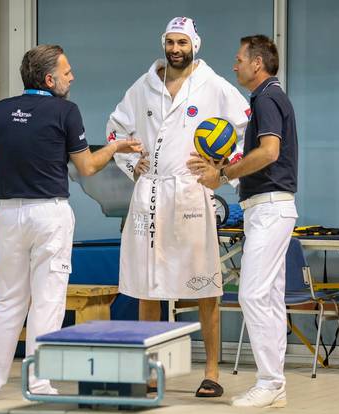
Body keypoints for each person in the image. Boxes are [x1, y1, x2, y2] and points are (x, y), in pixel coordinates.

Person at [0, 44, 141, 400]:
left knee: (7, 301)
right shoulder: (66, 111)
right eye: (67, 72)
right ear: (49, 79)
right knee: (47, 301)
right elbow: (88, 167)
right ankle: (38, 383)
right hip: (50, 215)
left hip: (10, 214)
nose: (71, 76)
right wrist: (117, 147)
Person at [107, 17, 250, 398]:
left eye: (181, 42)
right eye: (169, 42)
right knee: (147, 287)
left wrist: (221, 169)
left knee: (205, 286)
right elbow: (116, 128)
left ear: (195, 46)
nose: (174, 49)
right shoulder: (143, 86)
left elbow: (243, 128)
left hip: (190, 194)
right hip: (150, 195)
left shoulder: (214, 87)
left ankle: (213, 372)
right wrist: (129, 163)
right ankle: (150, 373)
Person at [187, 35, 298, 408]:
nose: (234, 65)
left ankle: (269, 382)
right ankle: (275, 384)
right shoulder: (268, 97)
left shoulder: (267, 97)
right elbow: (261, 158)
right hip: (266, 207)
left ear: (257, 63)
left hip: (270, 208)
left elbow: (269, 152)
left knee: (252, 294)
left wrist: (222, 175)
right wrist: (223, 168)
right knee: (268, 297)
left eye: (238, 60)